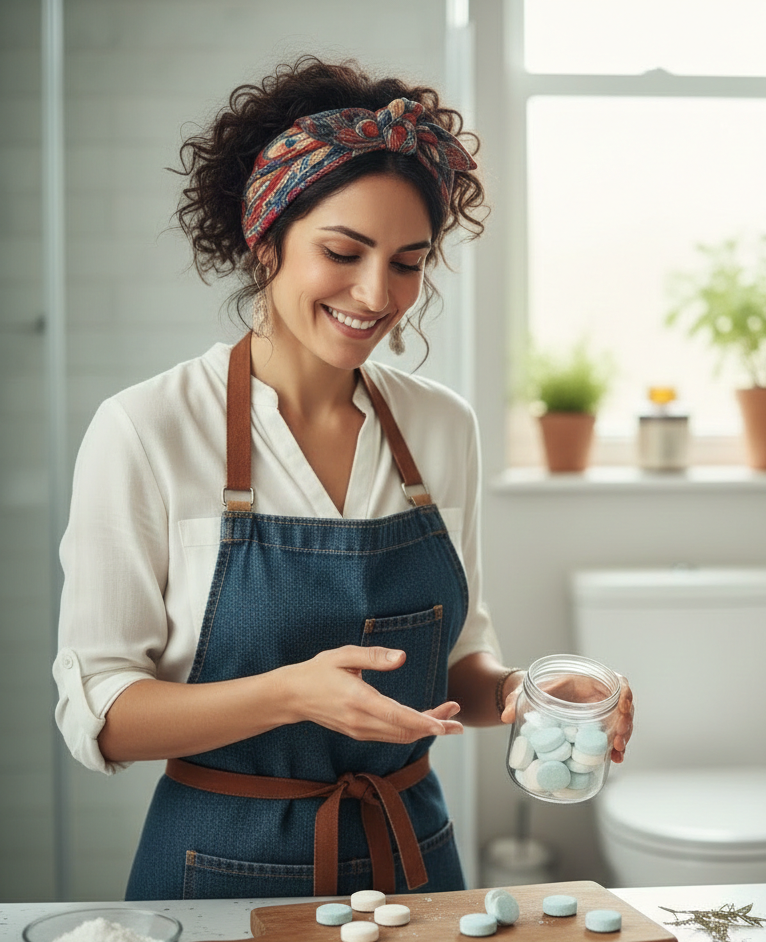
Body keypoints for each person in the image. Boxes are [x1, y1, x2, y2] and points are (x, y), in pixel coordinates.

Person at [52, 56, 634, 901]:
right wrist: (293, 695)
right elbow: (101, 714)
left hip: (416, 866)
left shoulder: (442, 426)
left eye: (408, 261)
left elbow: (459, 666)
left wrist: (531, 693)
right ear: (266, 237)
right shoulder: (147, 429)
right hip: (217, 866)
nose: (376, 294)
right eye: (342, 251)